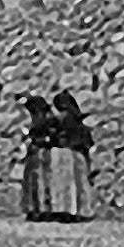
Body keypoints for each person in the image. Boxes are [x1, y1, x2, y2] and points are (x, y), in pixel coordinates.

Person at [48, 90, 95, 222]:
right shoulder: (77, 118)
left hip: (68, 152)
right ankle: (83, 211)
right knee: (81, 182)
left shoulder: (64, 118)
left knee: (68, 184)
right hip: (80, 151)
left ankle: (69, 211)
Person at [20, 95, 59, 221]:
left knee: (38, 181)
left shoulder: (42, 120)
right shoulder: (49, 118)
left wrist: (33, 141)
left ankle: (39, 209)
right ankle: (41, 208)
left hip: (39, 151)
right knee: (40, 181)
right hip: (42, 152)